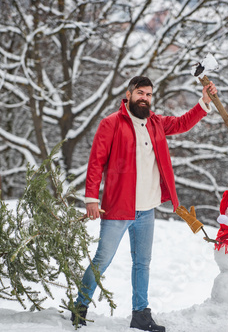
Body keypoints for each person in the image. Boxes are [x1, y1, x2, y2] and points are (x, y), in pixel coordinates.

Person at [71, 76, 217, 331]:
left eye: (148, 95)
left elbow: (182, 123)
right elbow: (96, 162)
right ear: (128, 95)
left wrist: (204, 101)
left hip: (146, 209)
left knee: (142, 263)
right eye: (140, 93)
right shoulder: (111, 124)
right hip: (117, 208)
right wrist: (92, 199)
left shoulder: (156, 123)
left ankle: (140, 314)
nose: (145, 98)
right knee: (102, 260)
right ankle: (79, 307)